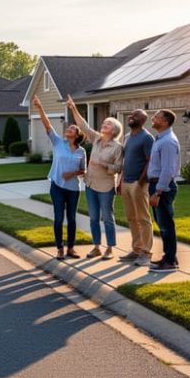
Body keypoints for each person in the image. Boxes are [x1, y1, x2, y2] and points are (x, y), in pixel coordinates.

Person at [66, 95, 123, 260]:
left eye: (108, 124)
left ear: (114, 130)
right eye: (104, 122)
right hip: (90, 184)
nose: (104, 124)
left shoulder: (117, 147)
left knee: (107, 218)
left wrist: (105, 165)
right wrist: (73, 107)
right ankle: (97, 247)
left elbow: (119, 167)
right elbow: (83, 125)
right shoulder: (96, 139)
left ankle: (110, 249)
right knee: (93, 218)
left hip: (106, 187)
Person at [32, 95, 86, 260]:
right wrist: (40, 107)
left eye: (72, 129)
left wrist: (72, 173)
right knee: (58, 218)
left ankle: (71, 248)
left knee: (71, 219)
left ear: (77, 135)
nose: (68, 129)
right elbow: (47, 124)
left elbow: (84, 170)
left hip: (73, 189)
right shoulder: (58, 143)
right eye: (68, 128)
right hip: (57, 186)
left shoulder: (81, 151)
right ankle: (59, 249)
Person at [117, 110, 154, 267]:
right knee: (131, 218)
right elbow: (126, 161)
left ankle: (146, 253)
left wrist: (141, 181)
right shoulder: (126, 137)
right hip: (126, 182)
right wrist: (120, 181)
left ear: (143, 120)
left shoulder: (147, 138)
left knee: (143, 219)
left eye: (136, 116)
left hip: (138, 184)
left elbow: (149, 160)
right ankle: (137, 249)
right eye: (131, 115)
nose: (132, 117)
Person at [147, 109, 181, 273]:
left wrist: (158, 192)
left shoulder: (168, 141)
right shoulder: (160, 139)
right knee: (163, 225)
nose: (152, 118)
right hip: (156, 185)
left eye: (157, 117)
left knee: (167, 225)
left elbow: (168, 170)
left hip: (163, 188)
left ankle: (170, 262)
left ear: (165, 122)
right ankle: (169, 257)